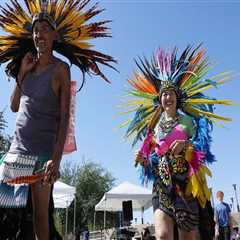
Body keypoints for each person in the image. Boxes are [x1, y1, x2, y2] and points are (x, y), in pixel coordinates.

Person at [0, 1, 116, 239]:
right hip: (17, 151)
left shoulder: (61, 69)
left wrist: (56, 159)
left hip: (43, 154)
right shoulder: (28, 68)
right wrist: (21, 73)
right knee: (7, 214)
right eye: (35, 30)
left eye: (44, 29)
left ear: (54, 34)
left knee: (41, 216)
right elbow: (13, 106)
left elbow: (64, 119)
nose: (38, 34)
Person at [123, 45, 233, 240]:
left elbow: (202, 150)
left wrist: (187, 147)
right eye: (164, 94)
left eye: (171, 93)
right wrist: (142, 159)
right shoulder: (154, 126)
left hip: (185, 185)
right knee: (163, 235)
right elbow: (150, 159)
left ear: (176, 97)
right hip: (162, 185)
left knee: (187, 237)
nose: (167, 97)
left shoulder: (188, 122)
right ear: (160, 99)